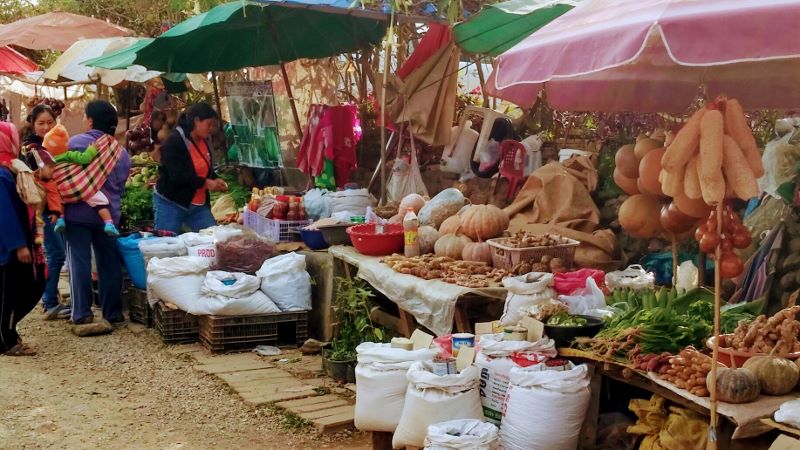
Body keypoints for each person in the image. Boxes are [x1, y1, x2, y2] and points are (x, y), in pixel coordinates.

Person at [63, 100, 130, 325]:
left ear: (90, 120)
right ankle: (113, 313)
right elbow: (120, 187)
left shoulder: (76, 143)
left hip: (78, 214)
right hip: (108, 216)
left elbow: (64, 173)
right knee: (109, 263)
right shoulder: (121, 154)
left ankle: (82, 313)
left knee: (79, 261)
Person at [0, 122, 46, 355]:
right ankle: (6, 341)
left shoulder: (11, 169)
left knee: (27, 287)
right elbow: (4, 213)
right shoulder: (1, 173)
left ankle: (7, 334)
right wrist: (18, 245)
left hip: (14, 244)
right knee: (10, 294)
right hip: (7, 248)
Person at [20, 104, 69, 320]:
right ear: (32, 124)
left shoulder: (48, 145)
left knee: (52, 254)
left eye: (50, 122)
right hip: (43, 211)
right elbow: (48, 177)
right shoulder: (33, 149)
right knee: (55, 254)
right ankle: (49, 302)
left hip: (48, 210)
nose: (46, 126)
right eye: (41, 123)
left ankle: (50, 299)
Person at [155, 103, 227, 234]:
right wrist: (206, 183)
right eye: (209, 124)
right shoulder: (174, 141)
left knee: (214, 238)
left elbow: (205, 167)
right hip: (171, 203)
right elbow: (177, 176)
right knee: (166, 245)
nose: (211, 129)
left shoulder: (205, 140)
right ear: (197, 121)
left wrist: (215, 179)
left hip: (197, 206)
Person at [42, 124, 120, 237]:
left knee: (59, 200)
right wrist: (92, 150)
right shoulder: (69, 154)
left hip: (63, 189)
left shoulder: (49, 161)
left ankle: (61, 220)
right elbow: (85, 159)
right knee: (98, 200)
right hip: (79, 186)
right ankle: (108, 223)